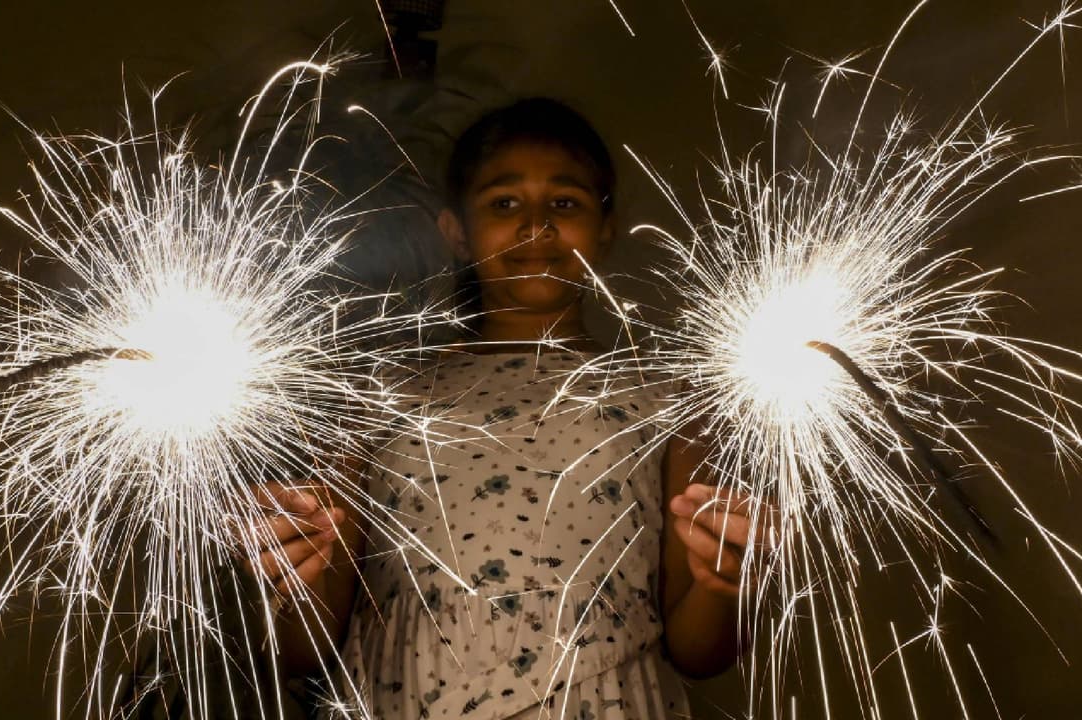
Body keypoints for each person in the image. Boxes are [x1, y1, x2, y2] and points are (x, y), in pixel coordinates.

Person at [255, 98, 762, 718]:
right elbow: (300, 651)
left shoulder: (667, 400)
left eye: (565, 203)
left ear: (605, 228)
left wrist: (725, 581)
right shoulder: (379, 395)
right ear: (456, 232)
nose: (535, 226)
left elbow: (700, 652)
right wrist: (294, 575)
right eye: (504, 203)